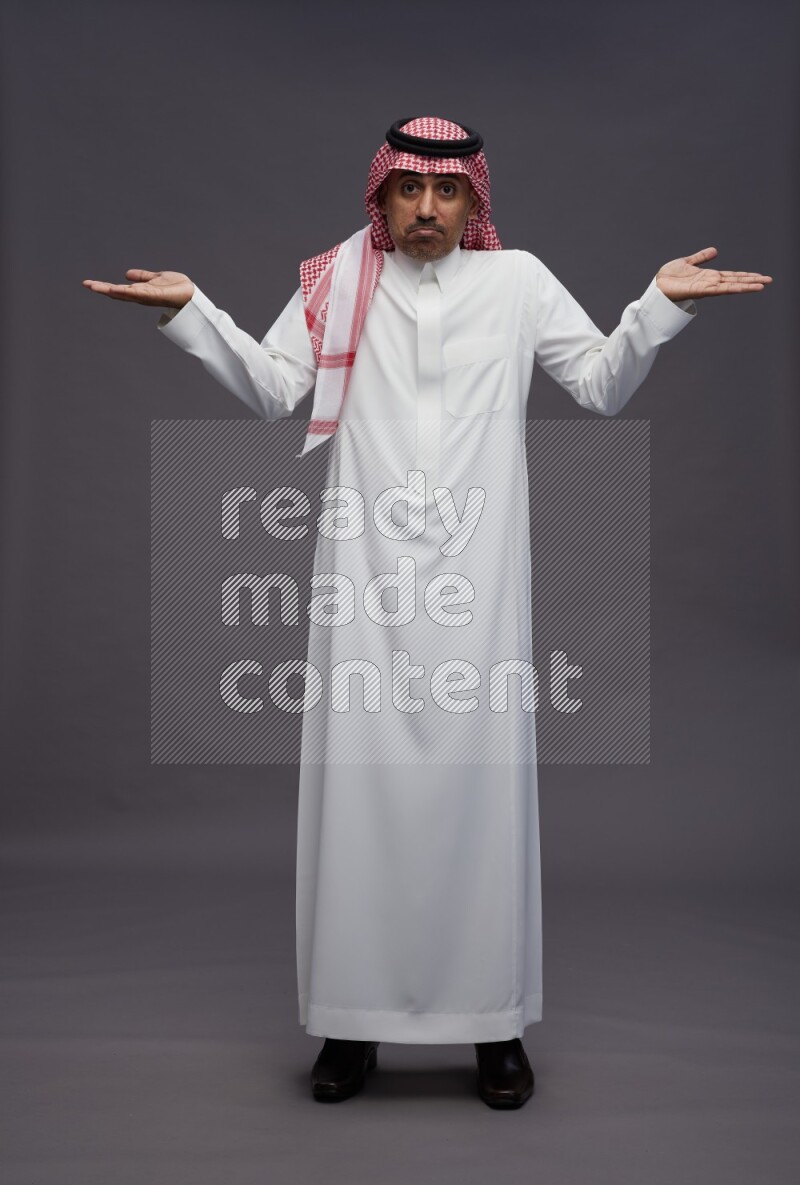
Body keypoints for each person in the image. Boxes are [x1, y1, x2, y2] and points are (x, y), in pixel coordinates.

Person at [83, 116, 772, 1109]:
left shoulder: (517, 281)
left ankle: (492, 1027)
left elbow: (598, 383)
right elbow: (277, 389)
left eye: (447, 193)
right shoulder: (336, 281)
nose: (426, 209)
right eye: (408, 190)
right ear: (381, 196)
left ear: (473, 201)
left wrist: (655, 307)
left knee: (478, 799)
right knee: (355, 800)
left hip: (480, 585)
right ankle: (349, 1027)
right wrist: (192, 311)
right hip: (360, 580)